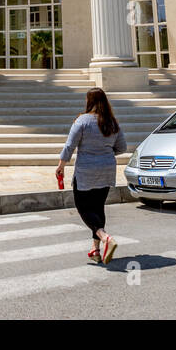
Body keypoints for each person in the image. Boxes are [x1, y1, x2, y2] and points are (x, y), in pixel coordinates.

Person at [57, 88, 127, 265]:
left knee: (83, 207)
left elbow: (70, 146)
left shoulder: (82, 120)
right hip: (107, 169)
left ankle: (105, 238)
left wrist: (61, 166)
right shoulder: (112, 122)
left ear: (89, 101)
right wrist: (105, 153)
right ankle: (95, 250)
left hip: (86, 170)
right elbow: (122, 148)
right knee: (98, 207)